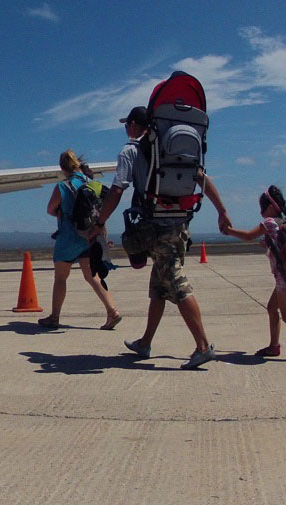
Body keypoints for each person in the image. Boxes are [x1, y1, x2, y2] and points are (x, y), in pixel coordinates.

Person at [95, 106, 231, 370]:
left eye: (127, 124)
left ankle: (203, 346)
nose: (126, 129)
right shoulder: (172, 152)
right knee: (158, 285)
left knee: (178, 284)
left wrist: (100, 222)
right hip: (180, 224)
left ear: (134, 125)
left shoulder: (130, 151)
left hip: (155, 228)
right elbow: (201, 178)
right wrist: (222, 211)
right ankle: (145, 343)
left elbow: (116, 191)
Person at [223, 186, 286, 359]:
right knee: (272, 308)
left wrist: (229, 231)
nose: (261, 211)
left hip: (284, 276)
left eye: (262, 207)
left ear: (270, 207)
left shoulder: (270, 222)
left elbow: (249, 236)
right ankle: (274, 346)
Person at [38, 150, 121, 330]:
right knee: (92, 276)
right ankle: (112, 311)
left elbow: (50, 209)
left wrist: (62, 210)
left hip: (68, 236)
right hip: (89, 235)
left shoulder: (62, 186)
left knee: (60, 278)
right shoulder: (92, 183)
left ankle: (54, 317)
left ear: (62, 168)